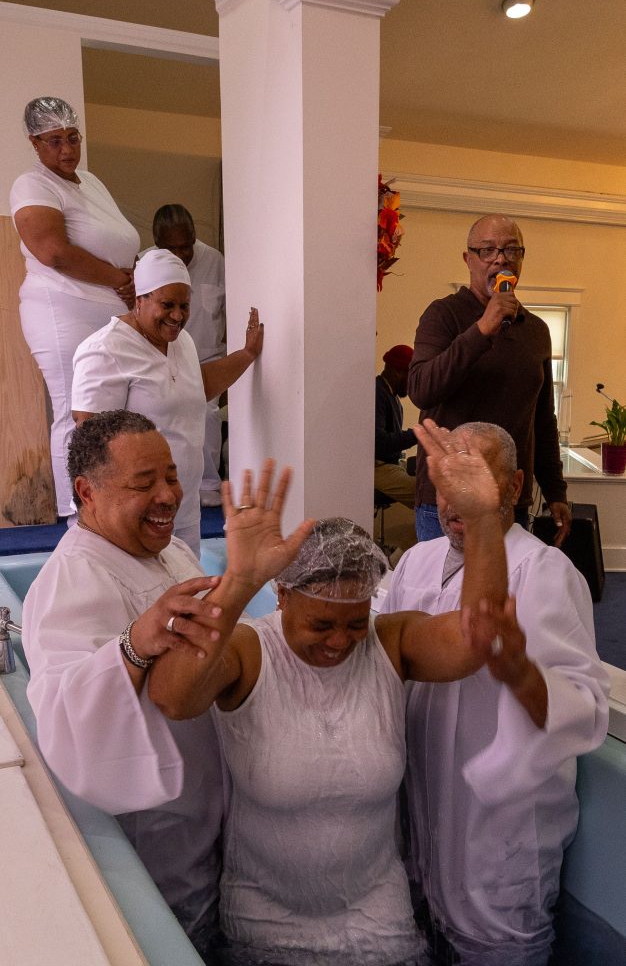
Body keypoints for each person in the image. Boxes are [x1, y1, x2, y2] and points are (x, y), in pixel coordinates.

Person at [149, 420, 515, 966]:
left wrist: (484, 519)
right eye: (320, 625)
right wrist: (239, 582)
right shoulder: (250, 651)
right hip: (263, 924)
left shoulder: (390, 643)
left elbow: (474, 638)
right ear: (282, 595)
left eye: (353, 623)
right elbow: (173, 698)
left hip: (379, 921)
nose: (339, 641)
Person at [382, 422, 609, 966]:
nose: (455, 499)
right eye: (446, 480)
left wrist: (519, 671)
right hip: (421, 825)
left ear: (514, 485)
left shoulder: (545, 573)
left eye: (474, 478)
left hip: (498, 844)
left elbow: (583, 711)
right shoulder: (416, 562)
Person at [21, 410, 237, 960]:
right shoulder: (72, 579)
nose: (168, 496)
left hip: (210, 809)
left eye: (171, 475)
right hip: (156, 836)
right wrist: (134, 644)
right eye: (144, 484)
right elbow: (64, 713)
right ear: (86, 492)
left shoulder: (171, 552)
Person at [71, 248, 263, 556]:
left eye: (184, 306)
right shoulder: (106, 350)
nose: (177, 316)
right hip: (132, 516)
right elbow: (89, 439)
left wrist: (247, 354)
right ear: (140, 299)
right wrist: (108, 516)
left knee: (187, 582)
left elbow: (197, 387)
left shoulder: (181, 341)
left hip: (183, 508)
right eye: (167, 305)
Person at [10, 96, 139, 518]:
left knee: (113, 413)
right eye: (54, 141)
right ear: (34, 143)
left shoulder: (90, 181)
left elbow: (117, 241)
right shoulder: (32, 185)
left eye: (73, 137)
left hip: (110, 309)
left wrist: (134, 278)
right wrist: (121, 280)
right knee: (74, 409)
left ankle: (112, 508)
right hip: (62, 308)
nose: (66, 149)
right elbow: (53, 252)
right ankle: (75, 515)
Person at [408, 213, 571, 545]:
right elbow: (422, 389)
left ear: (521, 259)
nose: (500, 259)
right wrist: (482, 329)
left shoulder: (537, 331)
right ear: (468, 259)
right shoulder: (443, 315)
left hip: (509, 499)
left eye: (511, 250)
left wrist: (555, 491)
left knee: (506, 581)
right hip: (446, 500)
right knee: (445, 582)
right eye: (487, 250)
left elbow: (543, 420)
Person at [146, 204, 226, 507]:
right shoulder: (146, 263)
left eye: (187, 246)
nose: (181, 255)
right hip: (160, 357)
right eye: (172, 249)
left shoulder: (215, 261)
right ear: (157, 244)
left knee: (207, 413)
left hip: (206, 357)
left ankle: (208, 483)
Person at [375, 344, 417, 508]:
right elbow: (379, 443)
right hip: (376, 466)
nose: (412, 384)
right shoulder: (377, 393)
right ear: (396, 371)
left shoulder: (392, 396)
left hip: (390, 463)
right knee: (424, 494)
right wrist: (417, 434)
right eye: (411, 376)